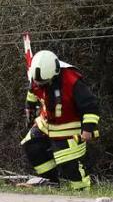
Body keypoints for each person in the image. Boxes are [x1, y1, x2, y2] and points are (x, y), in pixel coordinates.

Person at [20, 51, 100, 190]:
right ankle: (50, 182)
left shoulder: (72, 81)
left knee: (70, 165)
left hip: (69, 130)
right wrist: (30, 108)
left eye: (43, 82)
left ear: (54, 73)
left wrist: (88, 129)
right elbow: (32, 91)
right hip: (45, 124)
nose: (39, 84)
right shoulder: (37, 76)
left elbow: (90, 106)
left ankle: (82, 190)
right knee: (32, 146)